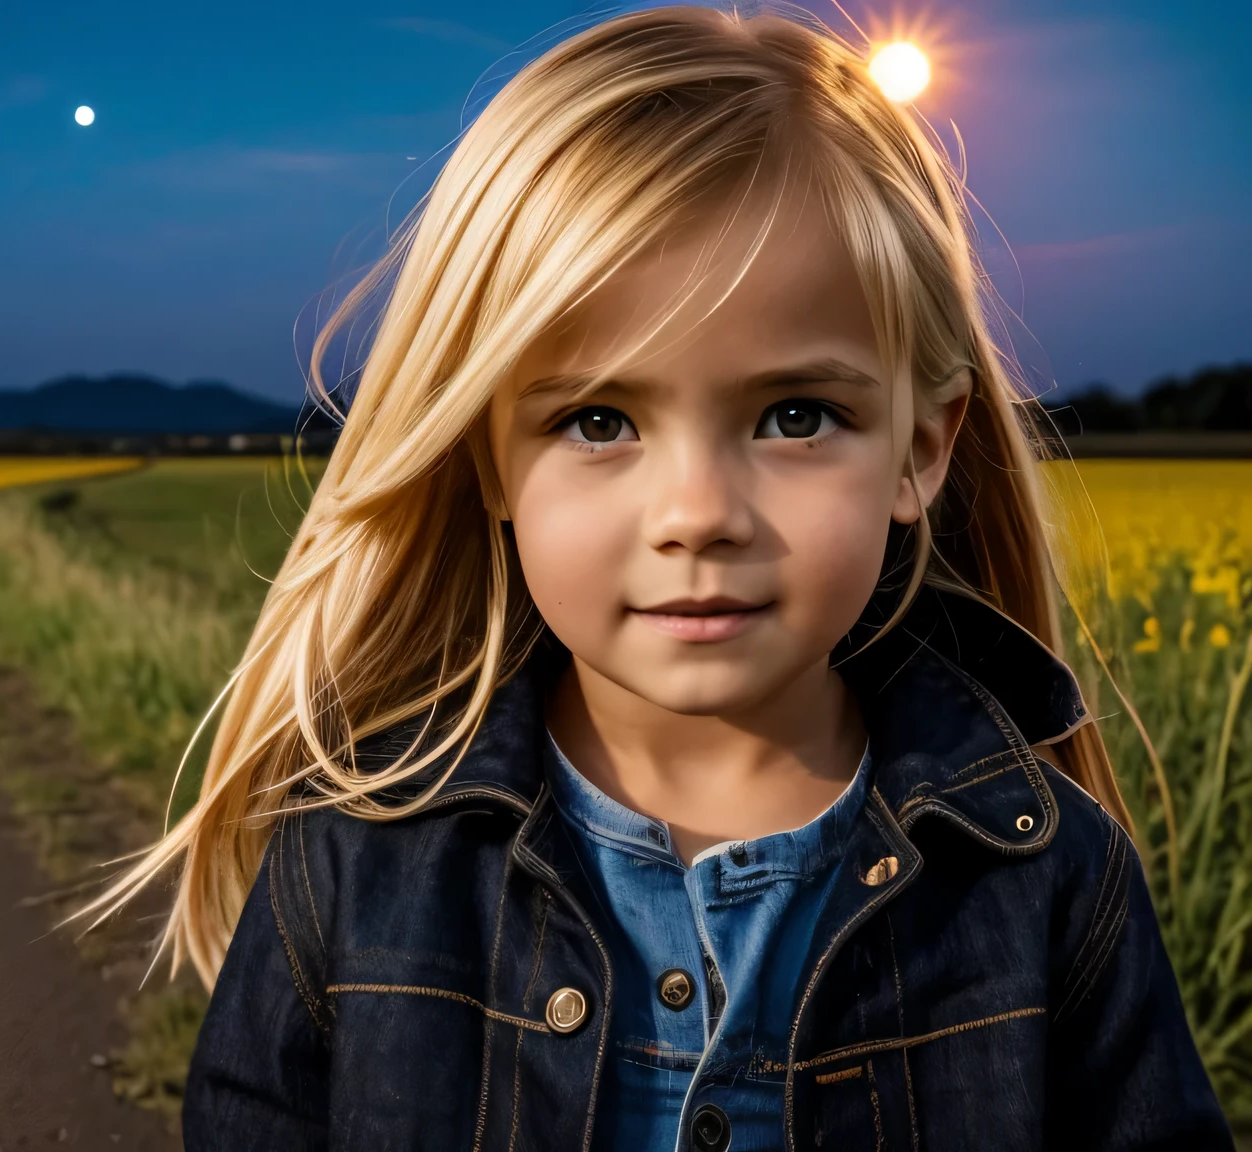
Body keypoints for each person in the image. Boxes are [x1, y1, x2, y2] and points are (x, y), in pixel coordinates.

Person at [79, 5, 1234, 1148]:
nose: (695, 515)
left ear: (918, 450)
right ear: (489, 461)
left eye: (794, 416)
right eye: (596, 420)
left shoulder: (1046, 880)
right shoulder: (355, 851)